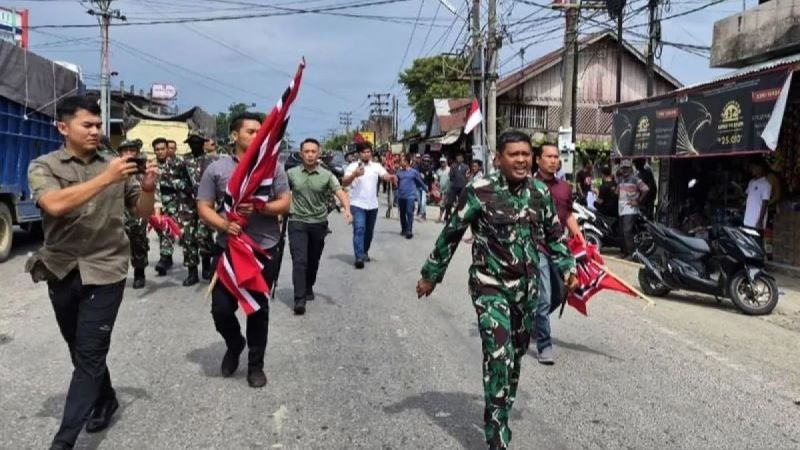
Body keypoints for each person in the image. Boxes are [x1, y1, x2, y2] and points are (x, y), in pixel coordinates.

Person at [416, 130, 577, 450]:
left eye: (526, 154)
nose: (521, 160)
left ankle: (500, 408)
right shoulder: (479, 191)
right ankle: (497, 434)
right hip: (490, 286)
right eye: (514, 154)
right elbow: (451, 233)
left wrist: (568, 268)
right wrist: (431, 275)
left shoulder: (539, 193)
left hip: (527, 290)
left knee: (514, 357)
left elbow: (554, 235)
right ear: (499, 159)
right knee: (498, 354)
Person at [25, 95, 158, 450]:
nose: (96, 131)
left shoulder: (116, 163)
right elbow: (53, 204)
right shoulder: (44, 165)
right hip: (61, 267)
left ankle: (64, 440)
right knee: (79, 348)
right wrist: (106, 178)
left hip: (106, 268)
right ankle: (106, 398)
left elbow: (143, 212)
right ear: (63, 127)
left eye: (99, 125)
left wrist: (147, 189)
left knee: (89, 351)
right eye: (88, 125)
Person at [197, 112, 291, 388]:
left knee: (257, 310)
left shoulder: (272, 168)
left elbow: (285, 203)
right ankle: (235, 343)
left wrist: (263, 207)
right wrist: (224, 225)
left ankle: (255, 365)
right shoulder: (216, 169)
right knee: (221, 310)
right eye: (251, 131)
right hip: (228, 250)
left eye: (260, 131)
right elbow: (204, 207)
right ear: (234, 136)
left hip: (263, 248)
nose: (257, 135)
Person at [286, 138, 352, 315]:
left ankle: (308, 286)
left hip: (318, 223)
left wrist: (347, 209)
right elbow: (281, 194)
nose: (309, 154)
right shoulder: (291, 174)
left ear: (319, 153)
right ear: (301, 154)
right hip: (297, 221)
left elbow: (340, 192)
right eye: (306, 151)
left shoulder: (327, 175)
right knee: (299, 260)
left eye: (313, 151)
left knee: (312, 261)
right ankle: (299, 299)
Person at [534, 143, 585, 365]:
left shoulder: (565, 187)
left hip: (559, 247)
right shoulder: (529, 185)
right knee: (544, 297)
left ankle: (534, 321)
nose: (553, 160)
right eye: (548, 156)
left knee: (558, 295)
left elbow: (568, 215)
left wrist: (581, 240)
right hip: (537, 247)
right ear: (538, 159)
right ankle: (544, 345)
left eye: (556, 156)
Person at [342, 141, 396, 269]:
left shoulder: (376, 166)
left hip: (372, 205)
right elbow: (344, 183)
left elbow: (385, 175)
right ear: (359, 154)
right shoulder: (352, 167)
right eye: (364, 152)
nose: (367, 154)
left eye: (368, 152)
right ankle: (359, 257)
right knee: (359, 229)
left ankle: (364, 251)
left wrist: (391, 177)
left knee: (369, 232)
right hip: (357, 204)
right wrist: (355, 174)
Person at [181, 129, 219, 285]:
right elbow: (170, 179)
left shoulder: (212, 161)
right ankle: (191, 272)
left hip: (206, 204)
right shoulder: (182, 161)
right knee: (188, 238)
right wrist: (184, 186)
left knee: (205, 236)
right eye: (191, 143)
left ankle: (206, 266)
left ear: (203, 144)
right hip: (187, 205)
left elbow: (218, 180)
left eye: (197, 142)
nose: (194, 145)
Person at [118, 138, 150, 289]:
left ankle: (139, 273)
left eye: (132, 151)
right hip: (118, 213)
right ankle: (117, 275)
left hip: (137, 213)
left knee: (138, 242)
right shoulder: (114, 169)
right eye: (125, 151)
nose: (129, 154)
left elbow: (150, 191)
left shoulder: (143, 169)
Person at [616, 159, 650, 259]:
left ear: (631, 168)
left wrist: (638, 201)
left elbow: (646, 189)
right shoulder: (621, 179)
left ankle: (632, 254)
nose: (625, 170)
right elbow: (617, 192)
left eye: (627, 168)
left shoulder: (635, 179)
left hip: (631, 209)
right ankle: (625, 252)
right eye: (623, 168)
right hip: (621, 208)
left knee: (627, 230)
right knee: (622, 231)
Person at [395, 154, 427, 239]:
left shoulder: (414, 172)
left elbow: (420, 182)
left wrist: (427, 190)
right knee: (402, 214)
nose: (401, 162)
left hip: (410, 196)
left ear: (407, 162)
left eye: (402, 160)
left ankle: (409, 230)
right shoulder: (399, 172)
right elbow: (396, 184)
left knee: (409, 213)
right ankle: (404, 229)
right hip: (401, 196)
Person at [743, 159, 772, 248]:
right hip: (747, 220)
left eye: (753, 167)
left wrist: (760, 221)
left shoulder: (766, 184)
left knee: (756, 246)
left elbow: (765, 203)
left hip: (756, 222)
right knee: (747, 246)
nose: (751, 169)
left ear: (760, 168)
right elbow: (747, 197)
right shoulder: (751, 182)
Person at [444, 153, 469, 223]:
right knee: (449, 202)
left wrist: (465, 184)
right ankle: (447, 214)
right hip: (454, 186)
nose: (459, 159)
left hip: (462, 186)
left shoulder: (466, 167)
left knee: (460, 203)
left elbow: (467, 176)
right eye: (458, 157)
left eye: (460, 157)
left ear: (463, 159)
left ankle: (456, 217)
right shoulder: (453, 166)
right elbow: (450, 176)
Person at [435, 157, 450, 223]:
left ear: (446, 162)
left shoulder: (450, 170)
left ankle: (445, 218)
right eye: (441, 162)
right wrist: (436, 184)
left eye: (444, 162)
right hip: (441, 190)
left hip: (448, 190)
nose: (442, 163)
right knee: (442, 205)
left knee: (446, 205)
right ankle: (442, 217)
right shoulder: (438, 170)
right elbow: (436, 179)